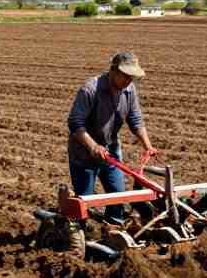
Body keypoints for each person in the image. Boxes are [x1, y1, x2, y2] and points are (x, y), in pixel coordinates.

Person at [67, 51, 157, 225]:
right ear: (113, 70)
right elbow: (75, 123)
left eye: (132, 77)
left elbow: (135, 120)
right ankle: (80, 235)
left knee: (118, 197)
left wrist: (148, 146)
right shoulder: (90, 89)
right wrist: (93, 146)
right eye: (126, 76)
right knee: (86, 201)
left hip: (111, 151)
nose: (129, 80)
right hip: (84, 154)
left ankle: (114, 230)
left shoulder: (129, 90)